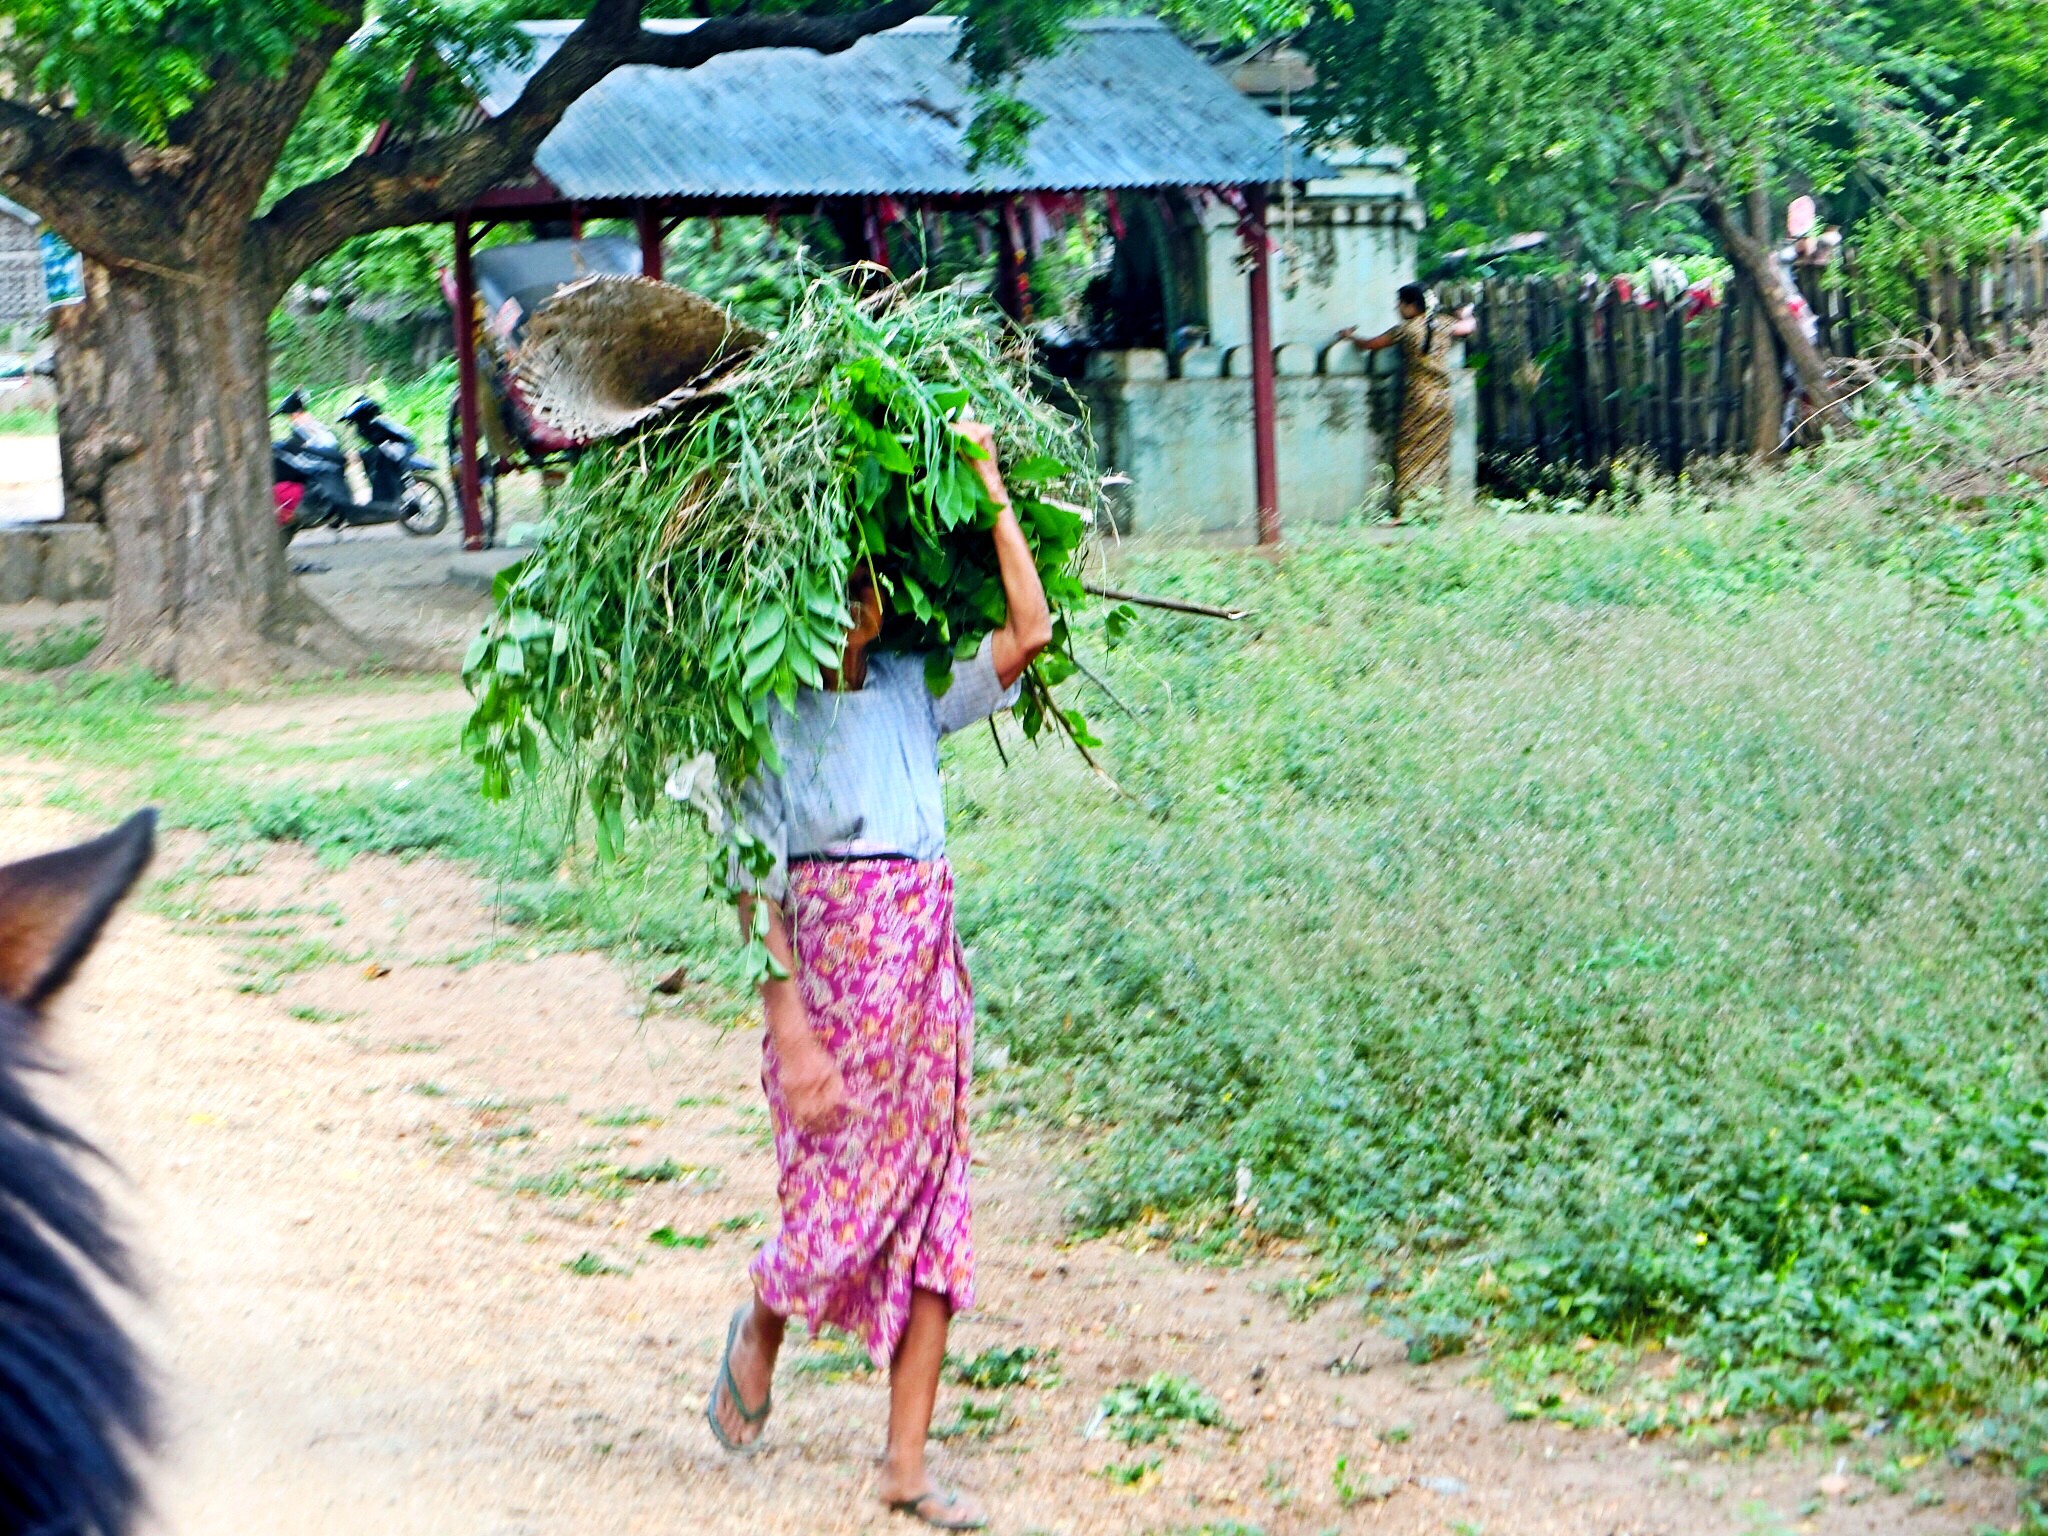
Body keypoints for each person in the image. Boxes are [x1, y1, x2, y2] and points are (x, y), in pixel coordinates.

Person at [704, 417, 1051, 1532]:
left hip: (924, 997)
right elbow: (752, 892)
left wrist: (989, 481)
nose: (855, 615)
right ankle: (766, 1311)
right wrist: (791, 1034)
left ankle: (904, 1464)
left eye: (864, 594)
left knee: (936, 1220)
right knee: (833, 1216)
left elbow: (1030, 627)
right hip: (835, 1001)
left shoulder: (915, 685)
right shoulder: (760, 719)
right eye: (833, 596)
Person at [1338, 283, 1477, 522]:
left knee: (1410, 452)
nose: (1397, 307)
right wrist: (1466, 314)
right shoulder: (1443, 324)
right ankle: (1433, 506)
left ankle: (1409, 509)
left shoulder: (1405, 329)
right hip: (1443, 398)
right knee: (1436, 452)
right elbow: (1467, 327)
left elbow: (1371, 344)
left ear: (1411, 305)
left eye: (1400, 303)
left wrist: (1350, 337)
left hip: (1418, 397)